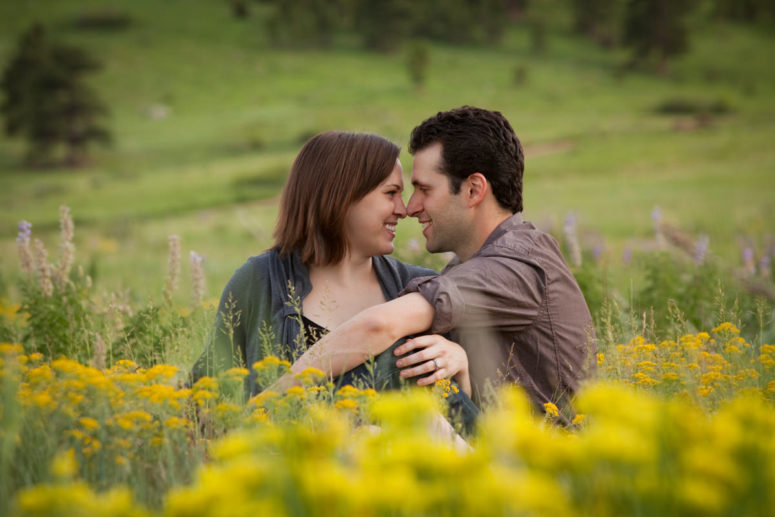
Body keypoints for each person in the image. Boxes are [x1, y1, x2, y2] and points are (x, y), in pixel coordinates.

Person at [273, 107, 596, 424]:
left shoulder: (518, 264)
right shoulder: (467, 268)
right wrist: (462, 367)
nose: (411, 208)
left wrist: (271, 401)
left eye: (424, 189)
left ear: (473, 190)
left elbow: (379, 326)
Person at [191, 131, 477, 425]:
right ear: (341, 195)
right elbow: (203, 398)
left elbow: (457, 410)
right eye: (391, 193)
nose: (403, 210)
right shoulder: (261, 282)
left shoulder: (417, 288)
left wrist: (461, 363)